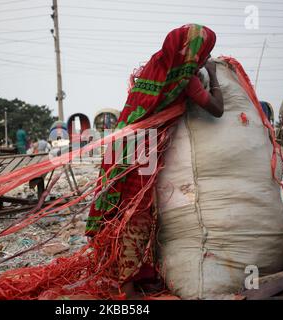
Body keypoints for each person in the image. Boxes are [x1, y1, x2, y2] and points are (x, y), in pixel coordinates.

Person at [85, 24, 223, 298]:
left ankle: (130, 273)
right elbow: (217, 109)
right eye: (202, 51)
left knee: (121, 209)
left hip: (122, 144)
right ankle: (127, 285)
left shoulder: (156, 65)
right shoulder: (186, 81)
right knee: (138, 214)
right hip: (143, 149)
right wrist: (215, 75)